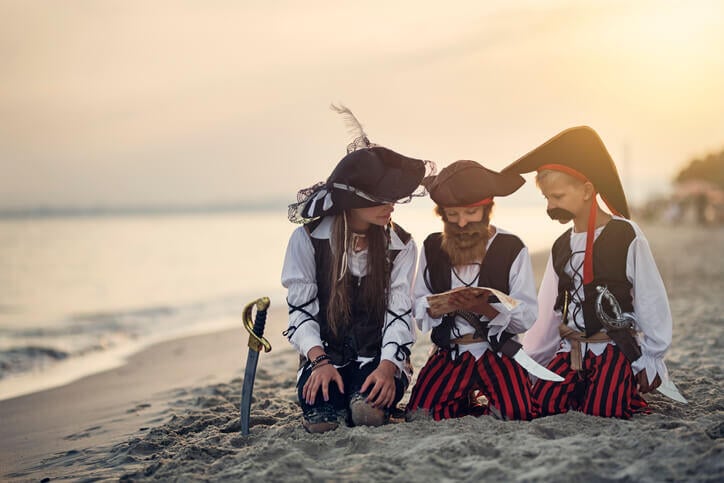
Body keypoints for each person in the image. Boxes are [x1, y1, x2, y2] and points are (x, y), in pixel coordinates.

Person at [503, 126, 674, 419]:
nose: (550, 206)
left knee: (604, 409)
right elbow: (549, 312)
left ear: (586, 190)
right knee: (541, 403)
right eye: (546, 198)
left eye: (556, 196)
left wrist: (652, 358)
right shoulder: (561, 245)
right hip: (570, 349)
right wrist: (535, 362)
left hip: (613, 347)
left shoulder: (625, 234)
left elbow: (650, 298)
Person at [282, 116, 435, 433]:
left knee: (367, 415)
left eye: (392, 196)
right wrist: (319, 362)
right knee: (321, 423)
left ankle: (378, 382)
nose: (390, 204)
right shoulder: (307, 240)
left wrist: (388, 366)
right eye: (380, 198)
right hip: (323, 356)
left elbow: (400, 313)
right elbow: (300, 312)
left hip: (379, 359)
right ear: (352, 201)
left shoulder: (402, 245)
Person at [405, 160, 539, 421]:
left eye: (470, 213)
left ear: (487, 210)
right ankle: (463, 398)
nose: (462, 223)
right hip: (450, 352)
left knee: (517, 413)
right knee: (421, 415)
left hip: (498, 351)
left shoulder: (511, 247)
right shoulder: (432, 247)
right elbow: (418, 305)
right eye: (452, 215)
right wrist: (444, 304)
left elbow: (527, 315)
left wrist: (486, 308)